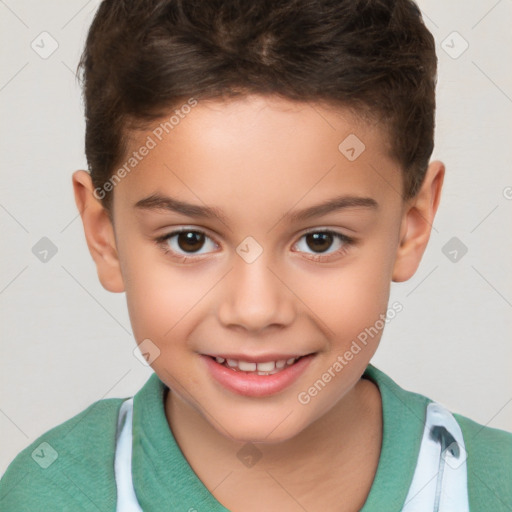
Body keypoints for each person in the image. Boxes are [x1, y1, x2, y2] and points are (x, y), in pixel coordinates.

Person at [1, 0, 510, 510]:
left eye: (320, 240)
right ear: (103, 235)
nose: (256, 310)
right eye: (190, 240)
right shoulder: (48, 494)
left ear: (410, 228)